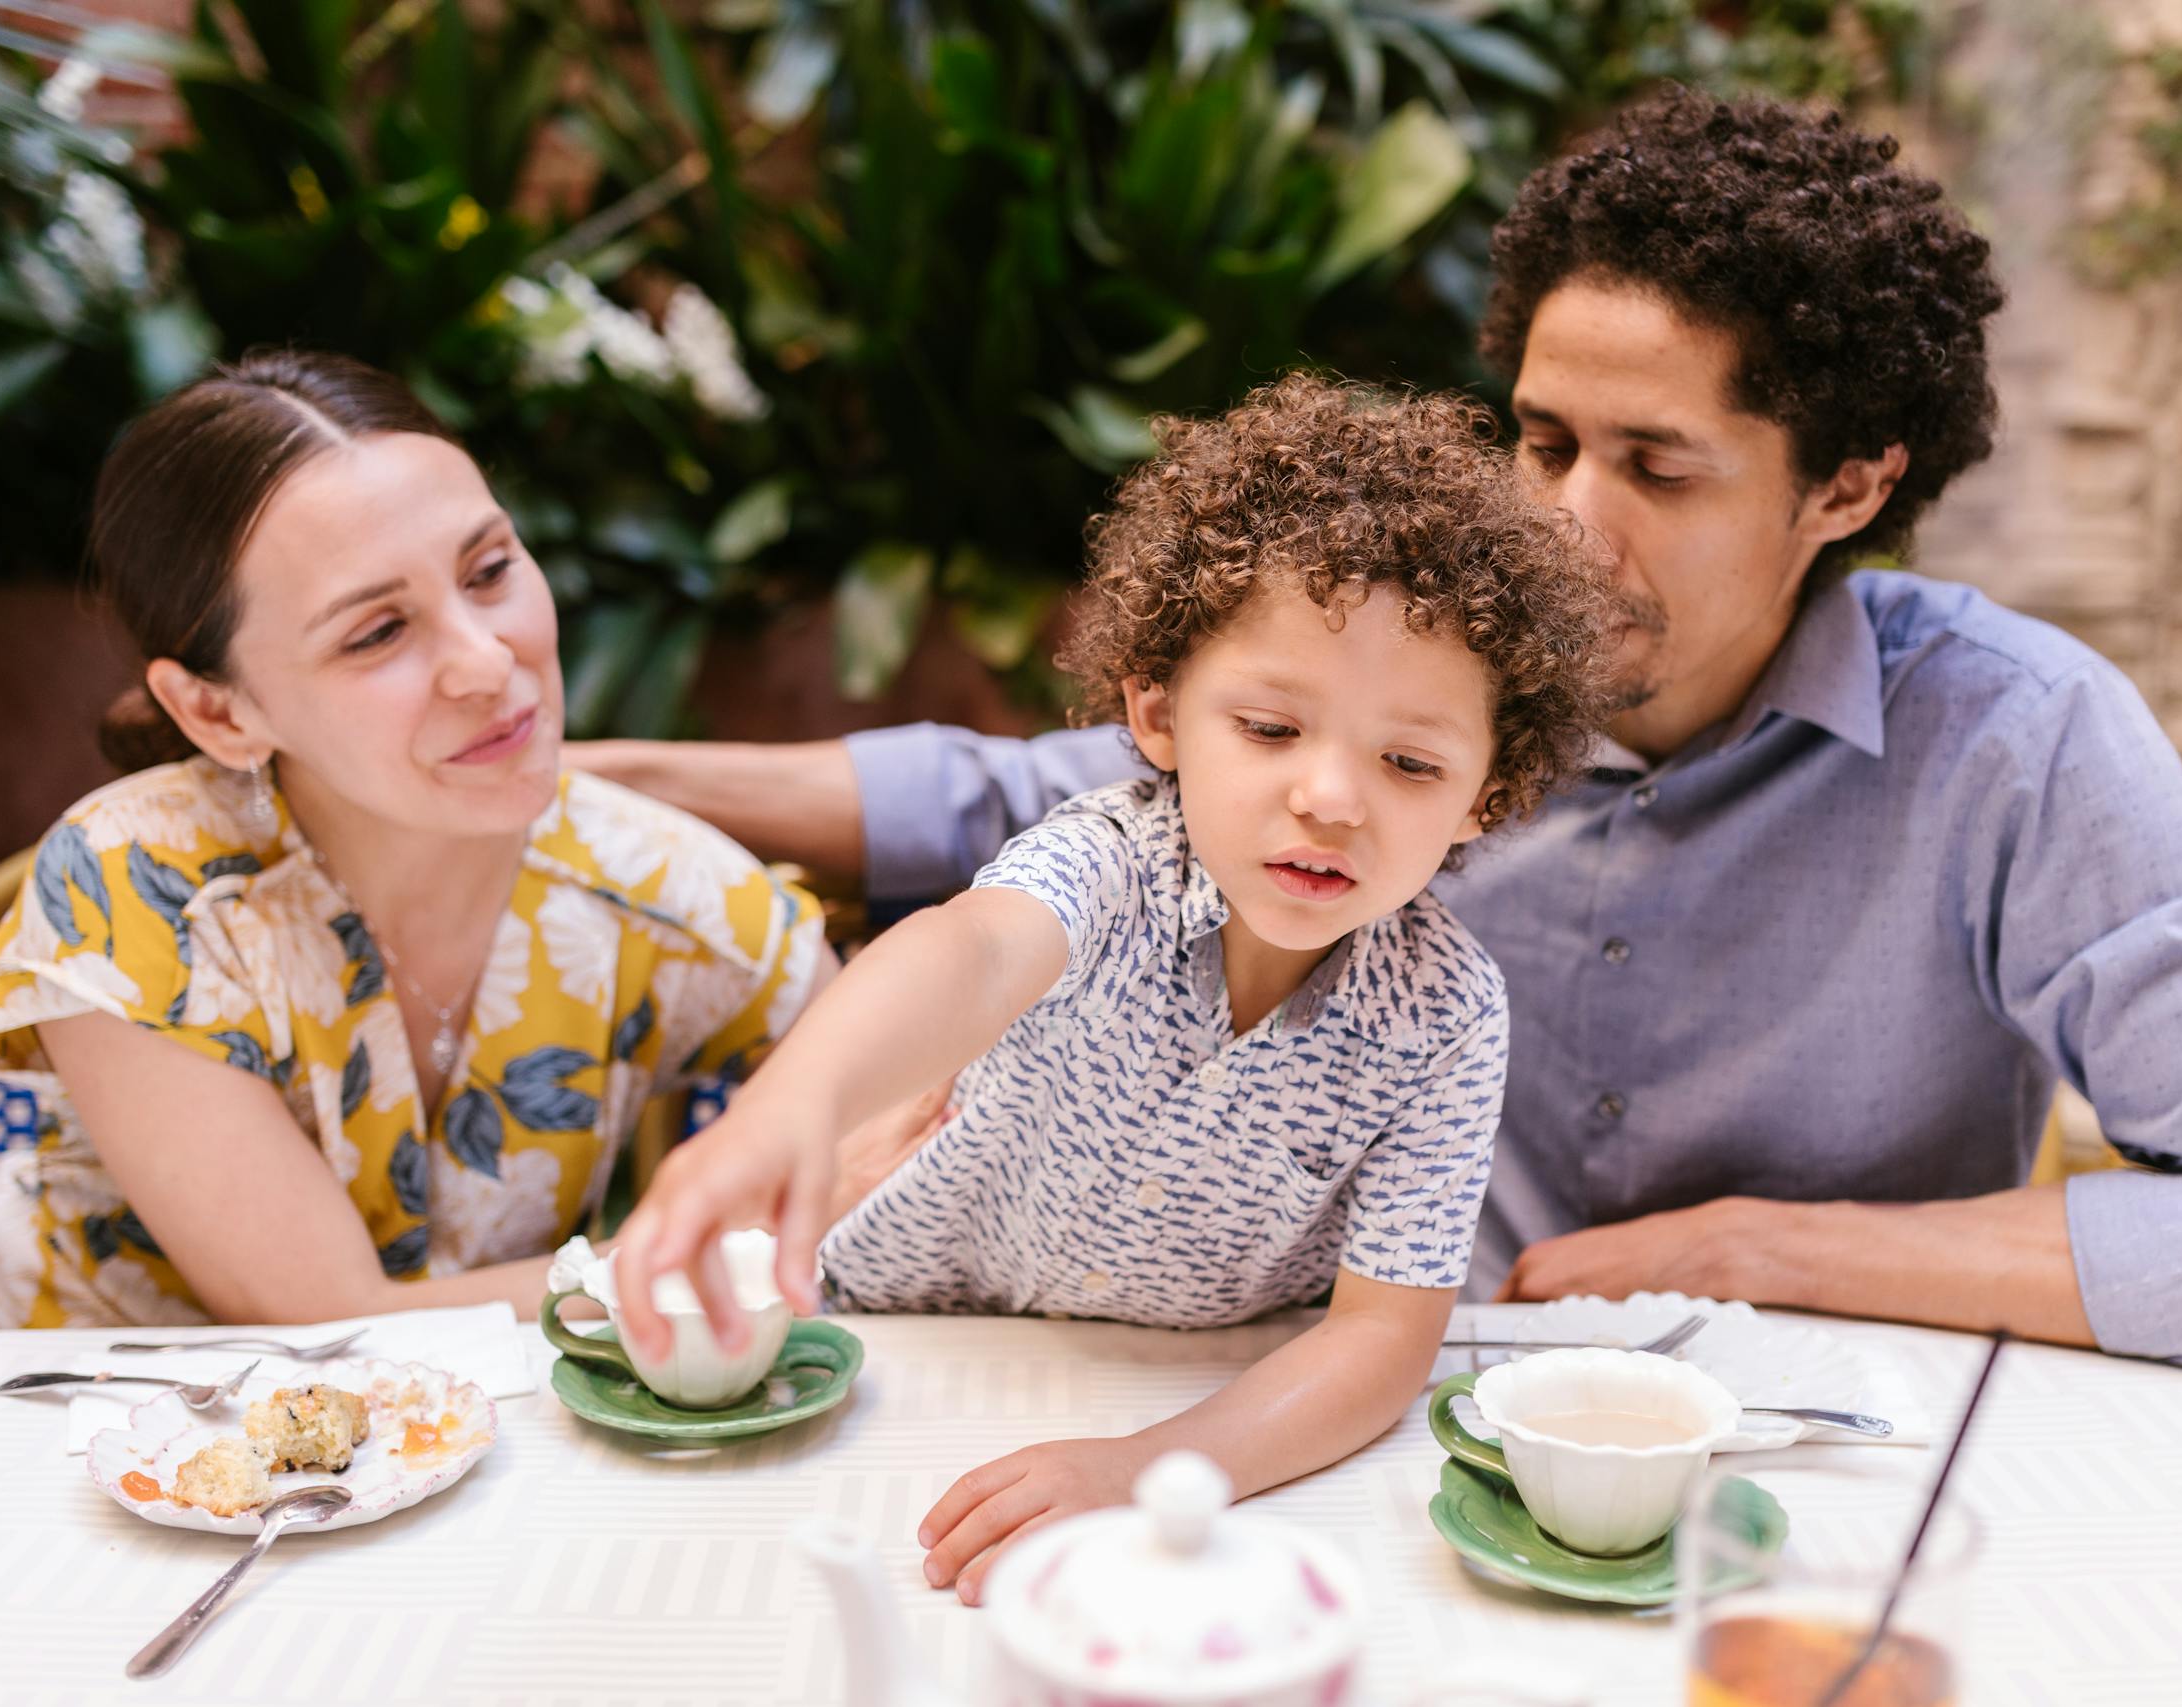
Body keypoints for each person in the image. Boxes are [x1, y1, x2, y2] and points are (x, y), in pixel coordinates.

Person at [579, 90, 2182, 1374]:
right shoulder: (1410, 707)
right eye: (1541, 442)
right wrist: (581, 774)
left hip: (1797, 1464)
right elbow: (1020, 806)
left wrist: (1751, 1246)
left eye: (1655, 467)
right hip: (1376, 1426)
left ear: (1848, 484)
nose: (1556, 524)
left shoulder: (2023, 744)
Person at [616, 376, 1614, 1601]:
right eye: (1267, 729)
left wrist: (1153, 1466)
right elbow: (970, 951)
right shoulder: (1109, 860)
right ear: (1155, 712)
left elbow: (1381, 1338)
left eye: (1410, 761)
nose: (1334, 798)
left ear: (1490, 793)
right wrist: (789, 1115)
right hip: (904, 1339)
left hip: (1199, 1393)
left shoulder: (1449, 1015)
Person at [0, 351, 826, 1329]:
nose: (485, 660)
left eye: (491, 569)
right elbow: (330, 1319)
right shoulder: (138, 885)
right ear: (217, 710)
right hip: (14, 1430)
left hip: (455, 1456)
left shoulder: (648, 878)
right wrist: (708, 1250)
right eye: (376, 633)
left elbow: (902, 1101)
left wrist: (844, 1155)